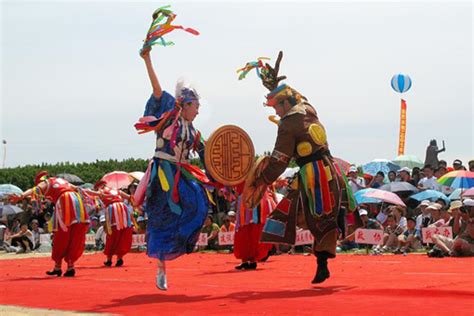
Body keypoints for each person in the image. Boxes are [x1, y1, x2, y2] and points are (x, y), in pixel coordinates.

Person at [243, 52, 351, 284]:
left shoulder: (288, 125)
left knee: (307, 216)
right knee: (317, 216)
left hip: (314, 175)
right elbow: (298, 96)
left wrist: (261, 180)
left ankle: (321, 260)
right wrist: (277, 86)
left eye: (275, 106)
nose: (274, 111)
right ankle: (327, 246)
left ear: (285, 102)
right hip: (330, 168)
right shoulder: (308, 108)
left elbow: (279, 159)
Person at [136, 45, 210, 290]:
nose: (198, 110)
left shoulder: (193, 131)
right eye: (196, 106)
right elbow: (157, 90)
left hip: (182, 174)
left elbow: (208, 154)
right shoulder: (170, 115)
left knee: (200, 201)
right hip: (163, 173)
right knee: (160, 220)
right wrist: (147, 60)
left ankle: (185, 242)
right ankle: (161, 269)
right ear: (186, 104)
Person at [10, 171, 89, 277]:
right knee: (74, 234)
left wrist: (21, 196)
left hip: (65, 201)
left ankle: (58, 267)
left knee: (61, 235)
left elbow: (35, 190)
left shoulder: (47, 182)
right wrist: (97, 195)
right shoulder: (64, 182)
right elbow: (79, 189)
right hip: (77, 202)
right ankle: (70, 266)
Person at [90, 181, 134, 267]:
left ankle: (109, 259)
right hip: (123, 209)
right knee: (122, 234)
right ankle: (119, 258)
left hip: (113, 210)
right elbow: (129, 197)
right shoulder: (116, 190)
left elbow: (92, 193)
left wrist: (81, 190)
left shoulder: (101, 191)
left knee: (112, 235)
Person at [234, 189, 276, 270]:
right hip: (245, 199)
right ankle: (245, 261)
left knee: (256, 232)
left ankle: (253, 260)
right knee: (243, 232)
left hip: (259, 200)